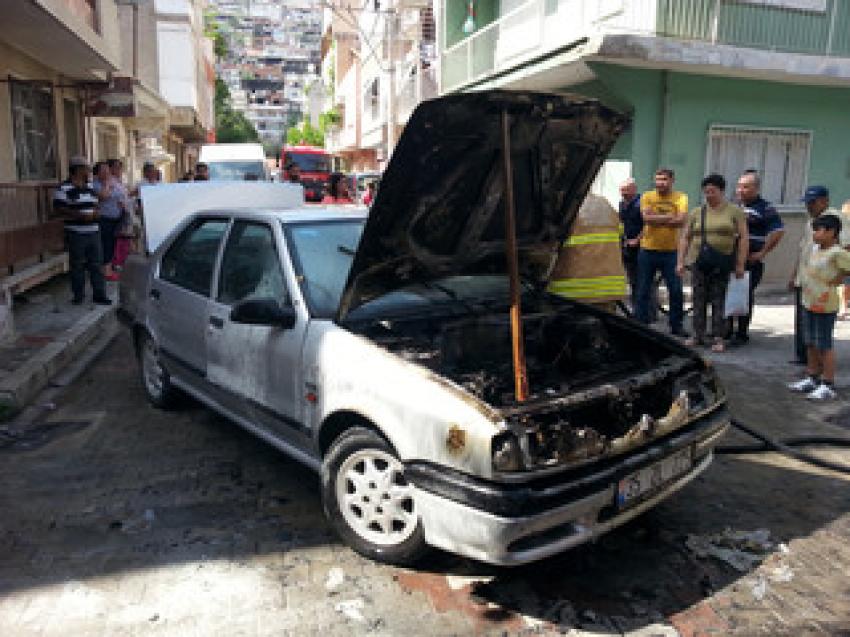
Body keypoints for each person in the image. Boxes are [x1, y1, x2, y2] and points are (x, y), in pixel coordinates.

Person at [676, 174, 748, 352]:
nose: (709, 195)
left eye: (713, 191)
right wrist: (680, 261)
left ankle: (718, 337)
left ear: (722, 191)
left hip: (723, 262)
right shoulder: (696, 212)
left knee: (720, 300)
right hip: (699, 262)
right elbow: (685, 237)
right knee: (698, 299)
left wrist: (740, 264)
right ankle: (697, 334)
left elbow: (744, 238)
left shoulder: (734, 212)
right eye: (706, 191)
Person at [787, 214, 850, 400]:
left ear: (832, 233)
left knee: (824, 343)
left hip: (825, 303)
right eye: (815, 230)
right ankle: (812, 376)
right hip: (808, 301)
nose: (815, 234)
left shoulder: (838, 253)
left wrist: (840, 279)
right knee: (810, 341)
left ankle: (827, 383)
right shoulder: (815, 249)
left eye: (820, 230)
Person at [789, 186, 850, 364]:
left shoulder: (835, 219)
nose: (809, 206)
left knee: (820, 334)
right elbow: (803, 250)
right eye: (808, 203)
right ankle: (806, 361)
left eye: (813, 202)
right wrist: (795, 275)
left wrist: (838, 277)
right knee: (804, 326)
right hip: (807, 279)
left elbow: (845, 247)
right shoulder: (812, 222)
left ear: (825, 201)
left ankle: (822, 370)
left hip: (824, 285)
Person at [728, 170, 784, 344]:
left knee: (744, 294)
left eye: (745, 187)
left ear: (756, 188)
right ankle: (727, 330)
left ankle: (742, 333)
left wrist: (762, 253)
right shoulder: (734, 207)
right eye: (738, 186)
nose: (740, 190)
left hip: (751, 260)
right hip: (731, 258)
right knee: (729, 294)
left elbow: (778, 231)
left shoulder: (765, 208)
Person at [547, 194, 628, 312]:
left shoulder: (560, 206)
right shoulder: (603, 203)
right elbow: (620, 230)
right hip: (609, 287)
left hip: (570, 290)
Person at [635, 168, 689, 336]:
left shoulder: (681, 197)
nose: (660, 183)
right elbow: (646, 219)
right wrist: (669, 217)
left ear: (672, 180)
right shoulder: (647, 196)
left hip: (671, 252)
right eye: (658, 179)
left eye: (664, 179)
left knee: (676, 290)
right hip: (647, 250)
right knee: (643, 289)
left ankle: (676, 326)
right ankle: (641, 324)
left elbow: (681, 221)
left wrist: (656, 219)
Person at [53, 157, 110, 306]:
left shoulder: (89, 186)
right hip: (76, 232)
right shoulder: (63, 188)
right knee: (77, 265)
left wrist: (97, 211)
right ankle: (78, 295)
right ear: (78, 170)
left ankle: (100, 294)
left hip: (94, 231)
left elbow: (96, 203)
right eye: (86, 168)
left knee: (96, 264)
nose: (89, 171)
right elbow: (59, 209)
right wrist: (79, 215)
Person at [92, 159, 129, 282]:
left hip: (116, 217)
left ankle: (109, 268)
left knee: (112, 243)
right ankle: (106, 271)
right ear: (97, 173)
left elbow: (122, 193)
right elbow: (103, 196)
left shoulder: (114, 181)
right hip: (104, 218)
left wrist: (123, 203)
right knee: (106, 244)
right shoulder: (95, 184)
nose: (107, 172)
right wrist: (107, 184)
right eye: (103, 170)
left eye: (107, 170)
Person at [618, 178, 643, 313]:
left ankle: (645, 311)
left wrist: (638, 240)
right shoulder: (622, 204)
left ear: (634, 189)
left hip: (641, 247)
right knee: (632, 279)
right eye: (622, 190)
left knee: (641, 280)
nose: (624, 193)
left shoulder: (642, 203)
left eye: (626, 190)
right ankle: (636, 309)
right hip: (627, 246)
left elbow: (648, 226)